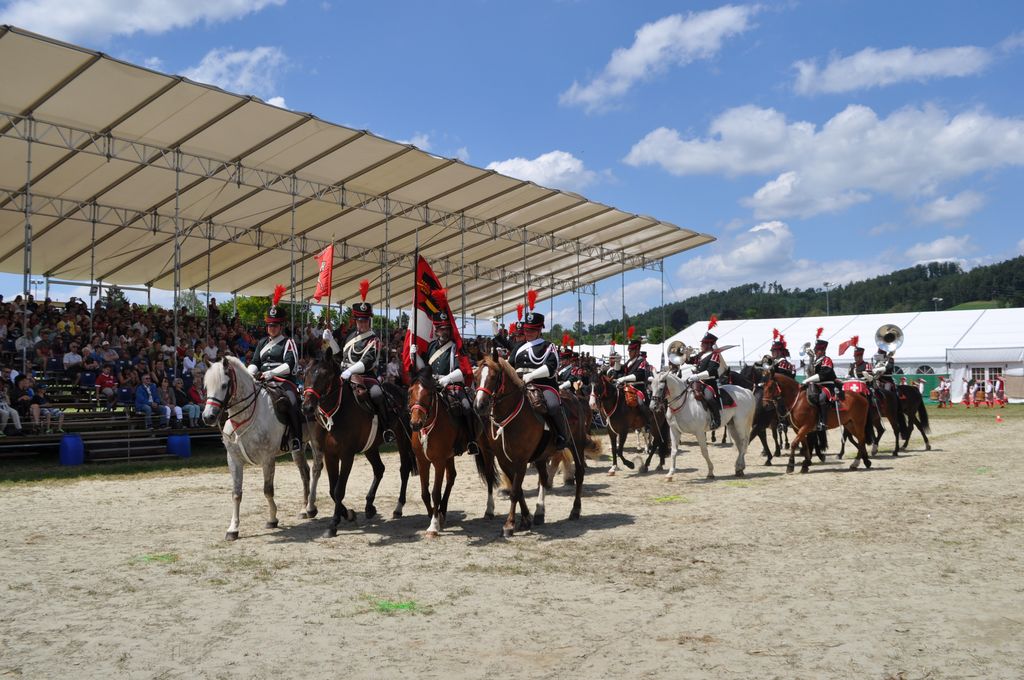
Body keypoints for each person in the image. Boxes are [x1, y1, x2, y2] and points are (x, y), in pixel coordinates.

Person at [492, 290, 571, 451]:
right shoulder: (520, 347)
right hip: (521, 384)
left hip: (543, 385)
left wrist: (532, 375)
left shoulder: (548, 346)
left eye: (532, 330)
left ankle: (561, 435)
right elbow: (509, 364)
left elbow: (551, 367)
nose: (528, 333)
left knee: (553, 405)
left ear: (540, 330)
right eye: (526, 330)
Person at [323, 280, 393, 441]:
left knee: (377, 395)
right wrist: (331, 340)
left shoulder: (374, 339)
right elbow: (340, 356)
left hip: (365, 377)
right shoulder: (350, 336)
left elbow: (368, 361)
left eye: (365, 320)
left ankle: (386, 427)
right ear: (355, 321)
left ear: (369, 321)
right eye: (359, 320)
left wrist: (349, 371)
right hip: (344, 374)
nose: (362, 323)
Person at [410, 295, 481, 454]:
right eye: (441, 328)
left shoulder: (456, 347)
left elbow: (462, 370)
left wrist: (446, 380)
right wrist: (415, 357)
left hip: (452, 385)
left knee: (466, 407)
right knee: (415, 402)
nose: (444, 331)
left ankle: (470, 441)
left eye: (446, 328)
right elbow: (425, 368)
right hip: (432, 385)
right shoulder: (432, 346)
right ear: (435, 329)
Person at [247, 285, 304, 453]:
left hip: (283, 381)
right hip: (262, 379)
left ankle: (296, 438)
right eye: (269, 325)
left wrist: (271, 373)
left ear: (281, 326)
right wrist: (250, 373)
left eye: (275, 325)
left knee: (292, 402)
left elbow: (290, 365)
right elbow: (255, 361)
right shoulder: (262, 343)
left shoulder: (288, 342)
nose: (271, 328)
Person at [609, 329, 660, 448]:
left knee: (641, 403)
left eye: (631, 350)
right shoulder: (629, 361)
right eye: (629, 350)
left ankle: (648, 422)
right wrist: (617, 362)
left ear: (637, 350)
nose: (629, 352)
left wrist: (623, 379)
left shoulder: (642, 361)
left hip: (638, 388)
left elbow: (639, 375)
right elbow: (618, 372)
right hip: (626, 387)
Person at [686, 316, 725, 429]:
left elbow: (711, 370)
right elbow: (689, 361)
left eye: (703, 343)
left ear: (709, 345)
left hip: (709, 383)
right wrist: (687, 354)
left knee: (708, 397)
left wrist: (696, 376)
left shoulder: (715, 355)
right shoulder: (700, 355)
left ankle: (716, 419)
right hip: (697, 381)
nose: (701, 345)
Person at [804, 330, 840, 431]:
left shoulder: (826, 359)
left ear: (823, 350)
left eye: (817, 350)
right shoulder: (815, 361)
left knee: (821, 398)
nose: (815, 352)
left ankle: (824, 422)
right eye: (815, 350)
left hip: (827, 385)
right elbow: (809, 373)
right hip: (816, 385)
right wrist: (811, 359)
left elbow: (825, 373)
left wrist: (809, 379)